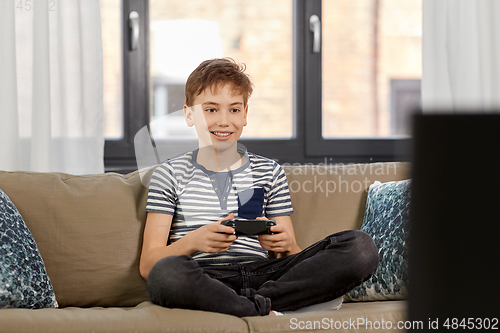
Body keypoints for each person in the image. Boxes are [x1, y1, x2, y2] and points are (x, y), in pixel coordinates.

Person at [139, 58, 379, 317]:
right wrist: (195, 240)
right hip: (206, 278)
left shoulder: (269, 171)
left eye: (234, 109)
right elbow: (148, 264)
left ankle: (251, 306)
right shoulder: (169, 174)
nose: (223, 120)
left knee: (361, 247)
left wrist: (285, 245)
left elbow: (292, 255)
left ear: (245, 115)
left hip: (267, 277)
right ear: (188, 114)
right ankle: (264, 308)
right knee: (166, 275)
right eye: (211, 110)